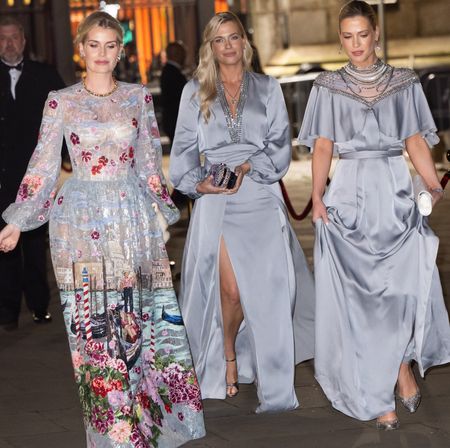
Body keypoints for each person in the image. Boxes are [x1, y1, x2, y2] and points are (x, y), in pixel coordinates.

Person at [0, 11, 205, 447]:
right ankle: (115, 433)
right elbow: (43, 162)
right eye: (94, 45)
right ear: (80, 48)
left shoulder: (137, 98)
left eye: (110, 45)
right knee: (95, 326)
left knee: (139, 321)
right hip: (79, 222)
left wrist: (165, 211)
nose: (102, 54)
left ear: (120, 51)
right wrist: (18, 220)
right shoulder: (62, 100)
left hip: (132, 219)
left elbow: (150, 164)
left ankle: (150, 420)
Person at [298, 0, 450, 430]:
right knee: (361, 299)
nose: (355, 44)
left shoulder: (403, 82)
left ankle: (401, 365)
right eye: (347, 36)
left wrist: (433, 183)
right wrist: (318, 195)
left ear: (376, 34)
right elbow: (324, 145)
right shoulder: (327, 85)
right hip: (348, 193)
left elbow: (415, 140)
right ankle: (378, 393)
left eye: (362, 35)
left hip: (394, 191)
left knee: (400, 292)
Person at [169, 11, 315, 413]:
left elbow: (281, 145)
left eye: (233, 38)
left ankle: (271, 377)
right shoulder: (193, 90)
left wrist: (250, 165)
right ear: (210, 47)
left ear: (244, 43)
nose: (228, 46)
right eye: (219, 40)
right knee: (230, 290)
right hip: (217, 200)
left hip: (260, 197)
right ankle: (228, 356)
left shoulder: (267, 88)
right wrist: (198, 182)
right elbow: (182, 152)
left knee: (269, 294)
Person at [0, 16, 65, 330]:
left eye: (14, 38)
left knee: (35, 243)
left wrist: (66, 157)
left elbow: (67, 119)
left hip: (36, 175)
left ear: (24, 41)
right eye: (3, 38)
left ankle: (39, 305)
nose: (9, 44)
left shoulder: (44, 76)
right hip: (1, 175)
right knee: (4, 245)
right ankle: (7, 310)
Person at [160, 41, 187, 144]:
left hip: (172, 120)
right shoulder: (173, 73)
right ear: (177, 54)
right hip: (175, 120)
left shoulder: (170, 70)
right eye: (183, 53)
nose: (185, 56)